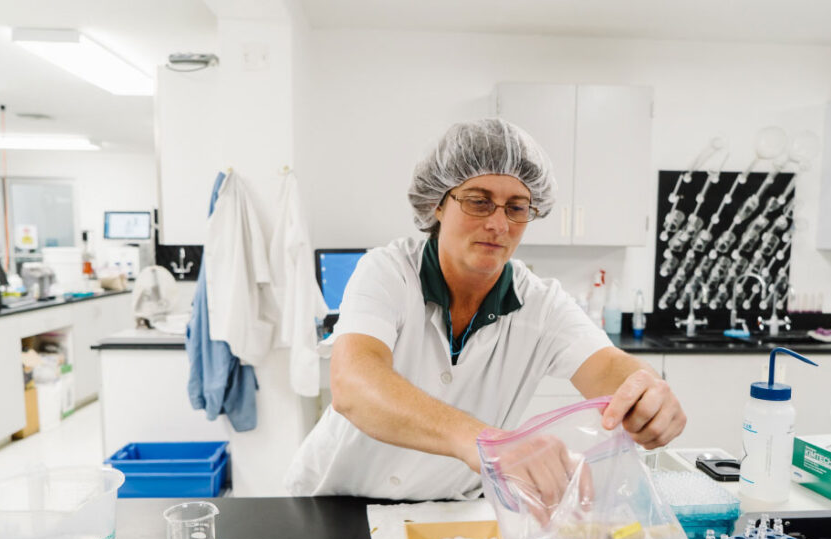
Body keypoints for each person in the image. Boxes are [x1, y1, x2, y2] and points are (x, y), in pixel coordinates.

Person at [286, 118, 685, 514]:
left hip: (447, 510)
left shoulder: (541, 304)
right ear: (437, 203)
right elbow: (353, 383)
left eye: (517, 207)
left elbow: (609, 367)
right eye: (478, 201)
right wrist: (487, 442)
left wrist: (645, 390)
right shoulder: (388, 272)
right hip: (336, 504)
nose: (498, 224)